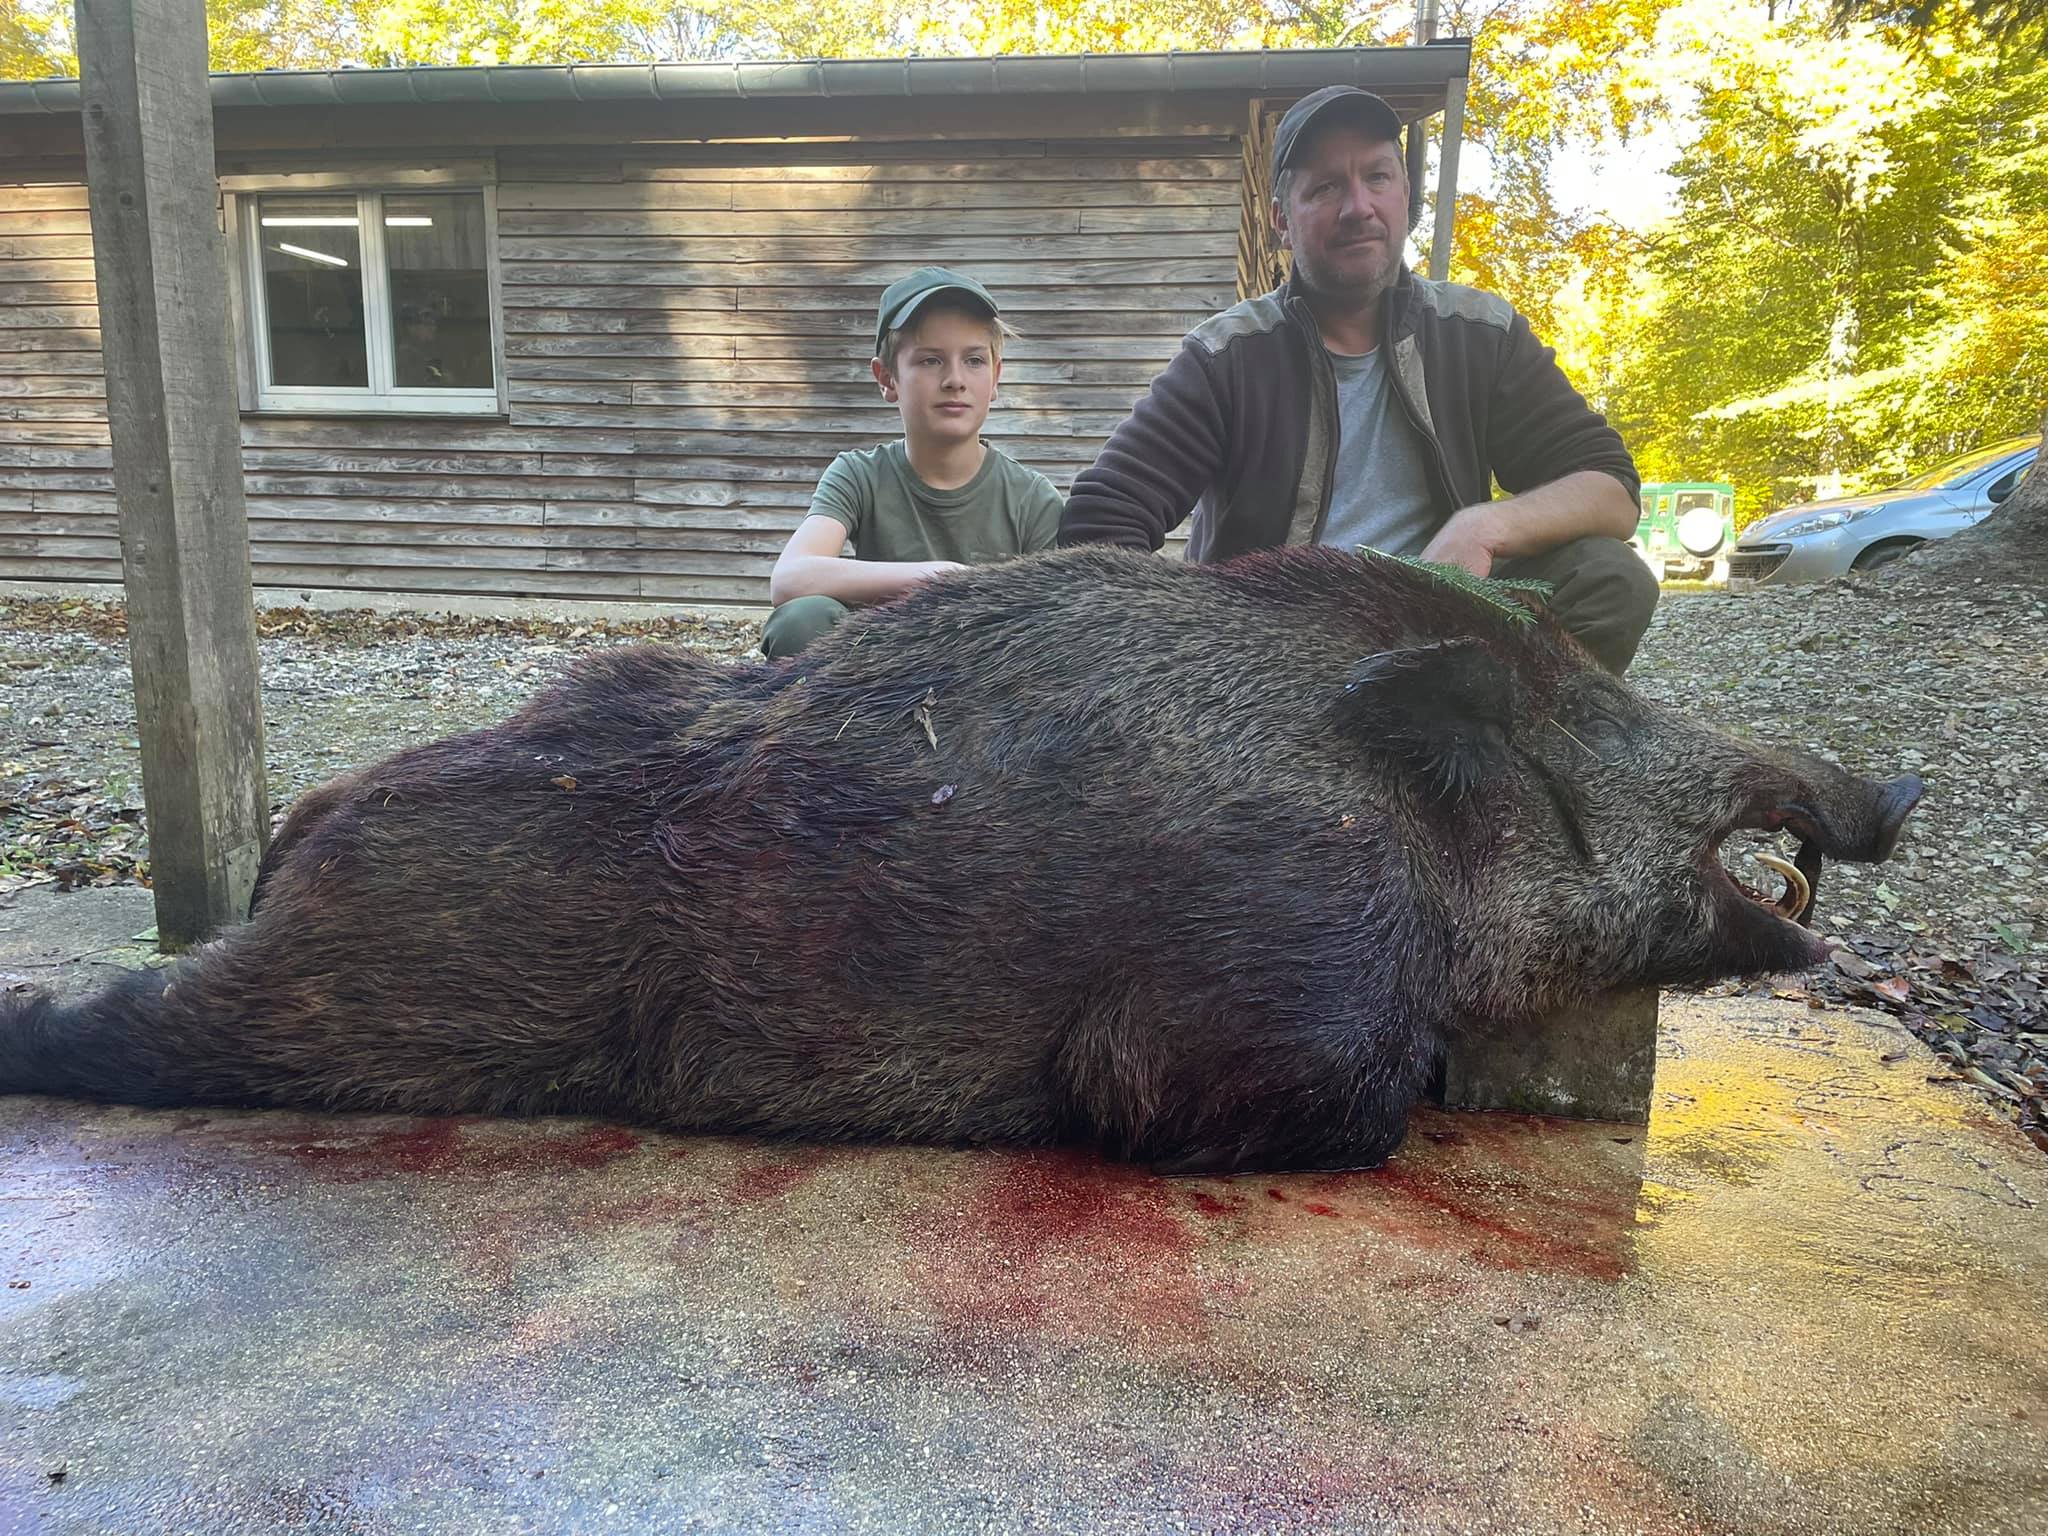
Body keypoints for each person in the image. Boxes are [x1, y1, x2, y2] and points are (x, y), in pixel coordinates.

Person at [1059, 85, 1659, 674]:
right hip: (1272, 655)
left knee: (1610, 577)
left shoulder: (1480, 333)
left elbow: (1610, 489)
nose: (1357, 207)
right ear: (1281, 222)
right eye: (1324, 187)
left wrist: (1482, 527)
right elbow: (1101, 519)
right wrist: (1187, 645)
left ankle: (1471, 749)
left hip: (1442, 631)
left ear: (1405, 195)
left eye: (1377, 177)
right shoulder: (1228, 356)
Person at [762, 267, 1063, 658]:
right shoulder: (859, 475)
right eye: (930, 361)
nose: (955, 379)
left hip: (984, 685)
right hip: (875, 683)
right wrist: (939, 577)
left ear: (996, 378)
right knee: (802, 618)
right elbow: (789, 579)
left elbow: (1055, 631)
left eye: (973, 360)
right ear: (887, 379)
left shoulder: (1031, 499)